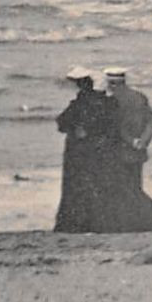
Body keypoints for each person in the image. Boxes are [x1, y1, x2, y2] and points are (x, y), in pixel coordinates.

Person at [101, 67, 152, 232]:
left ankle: (135, 222)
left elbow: (115, 128)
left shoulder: (109, 100)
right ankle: (144, 221)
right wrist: (142, 141)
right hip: (138, 152)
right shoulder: (139, 97)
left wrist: (131, 141)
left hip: (116, 152)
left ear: (111, 83)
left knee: (119, 188)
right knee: (135, 186)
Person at [54, 67, 117, 233]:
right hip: (100, 150)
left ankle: (77, 223)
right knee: (98, 184)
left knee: (76, 185)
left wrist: (75, 128)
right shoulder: (106, 102)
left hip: (78, 150)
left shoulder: (80, 103)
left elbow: (61, 122)